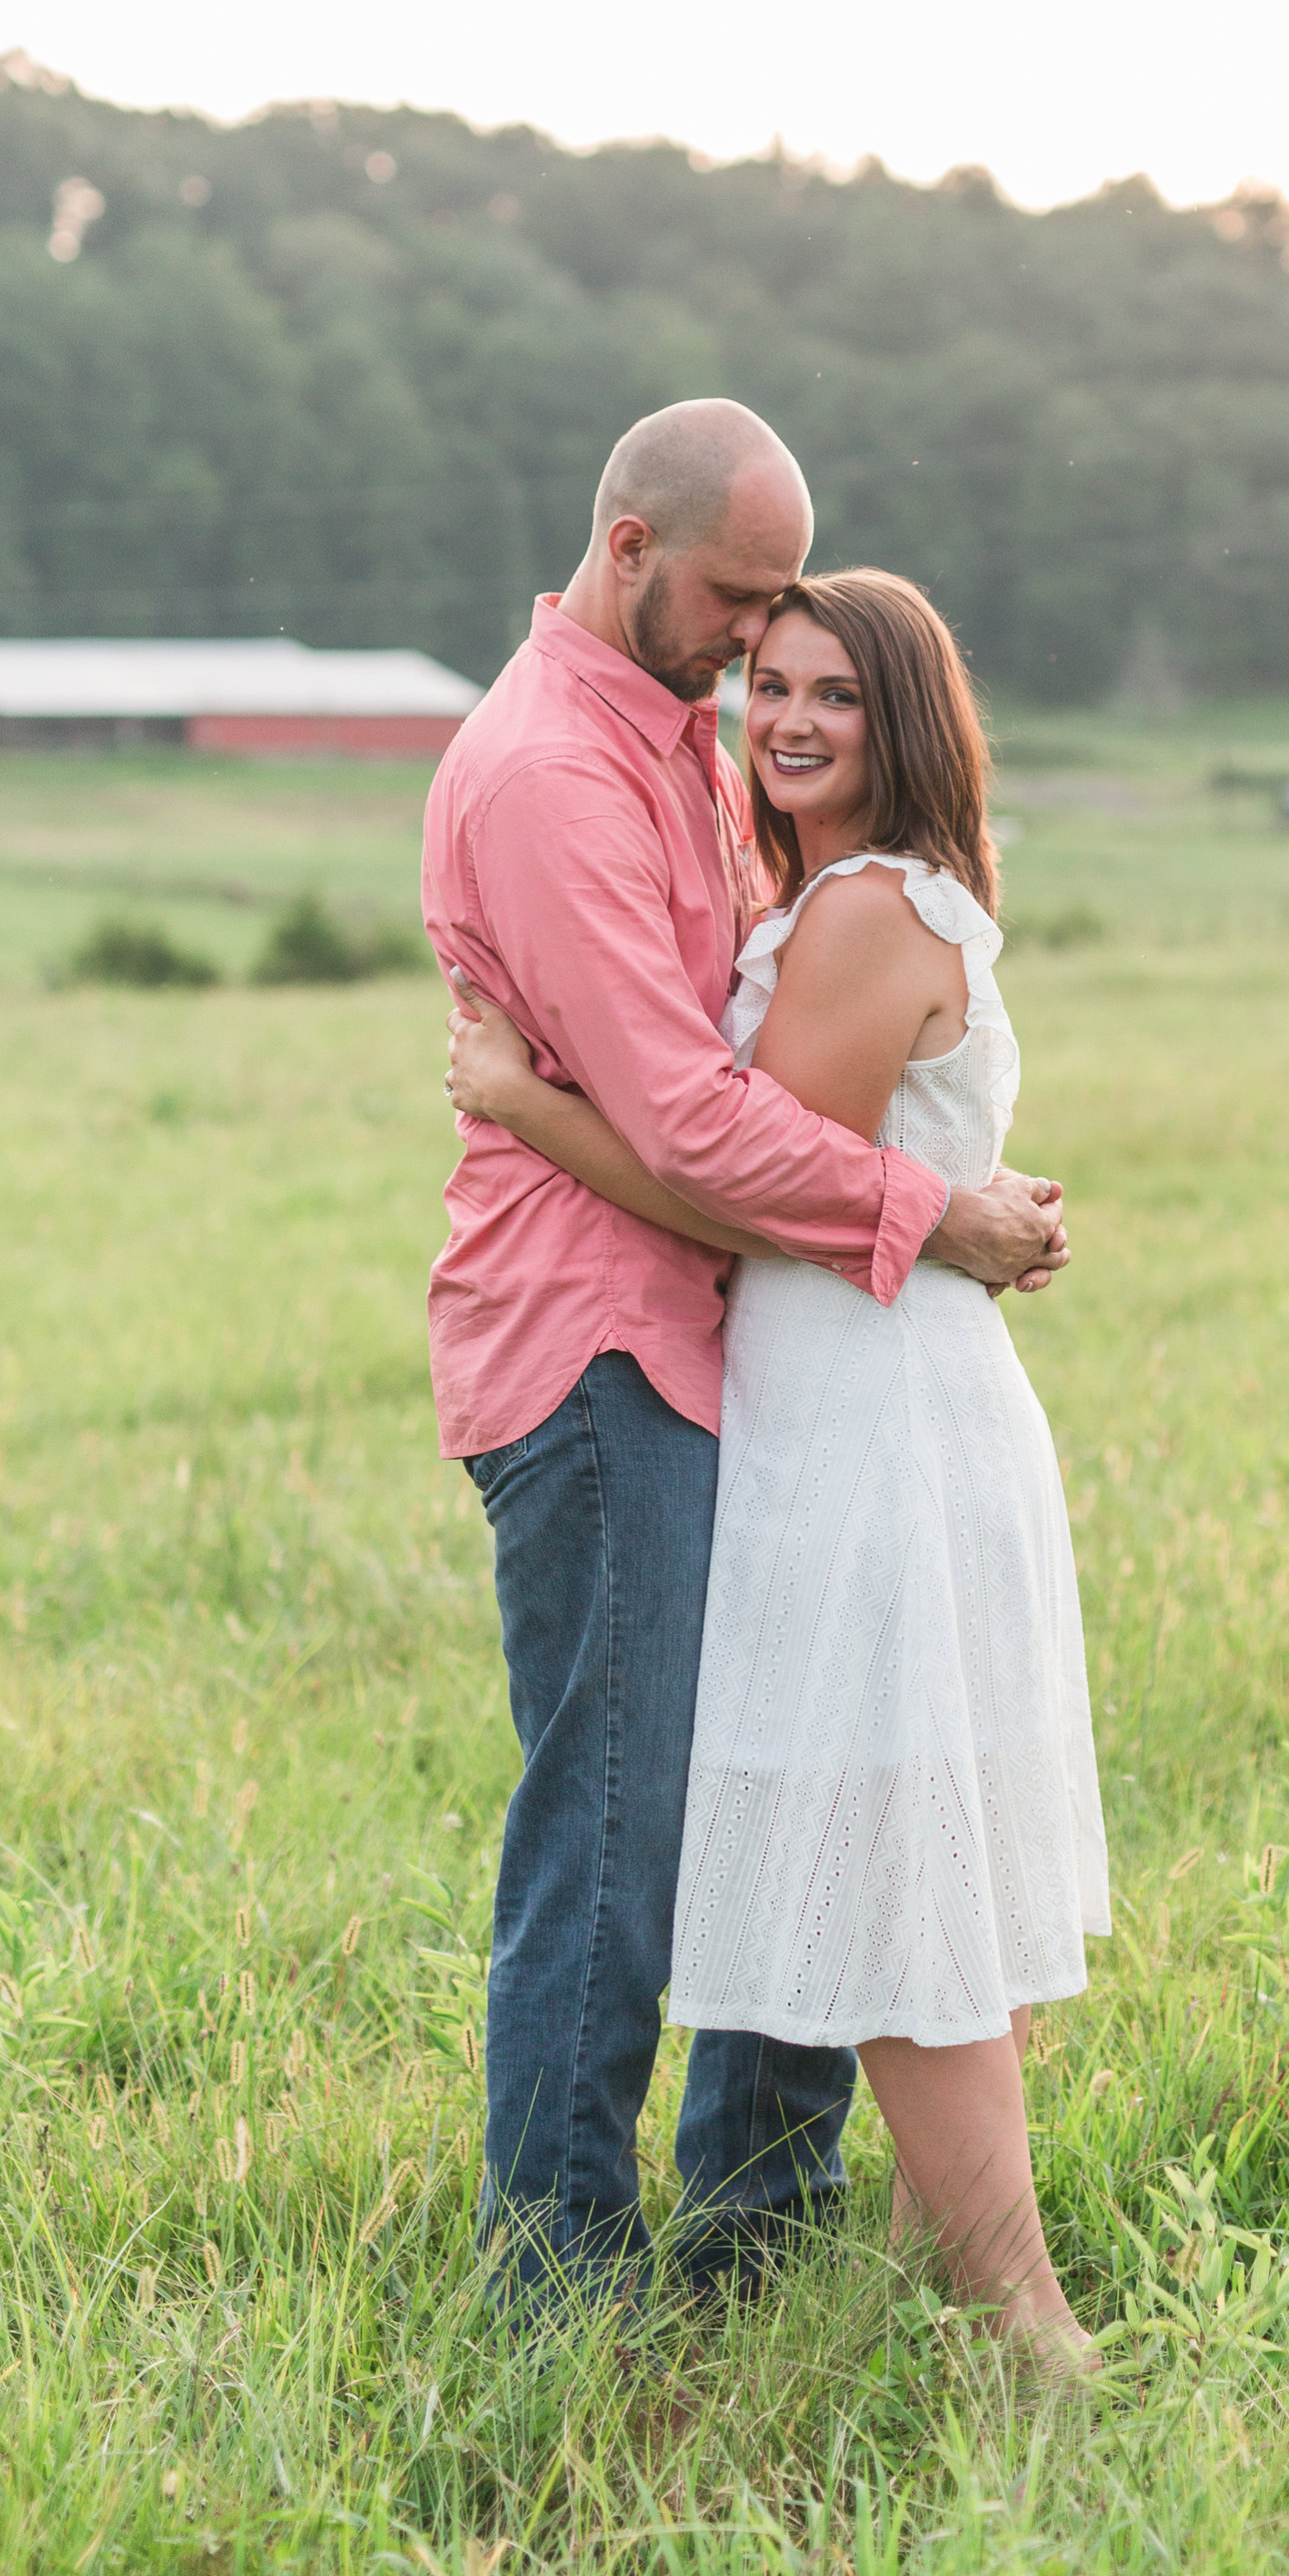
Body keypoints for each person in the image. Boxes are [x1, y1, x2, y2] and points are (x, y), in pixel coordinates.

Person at [422, 403, 1068, 2304]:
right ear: (630, 548)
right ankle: (556, 2281)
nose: (750, 654)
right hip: (605, 1339)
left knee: (770, 1791)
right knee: (619, 1837)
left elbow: (801, 1060)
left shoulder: (671, 748)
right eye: (734, 607)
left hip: (744, 1346)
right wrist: (925, 1212)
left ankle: (752, 2239)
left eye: (796, 632)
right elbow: (702, 1125)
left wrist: (929, 1173)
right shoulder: (554, 770)